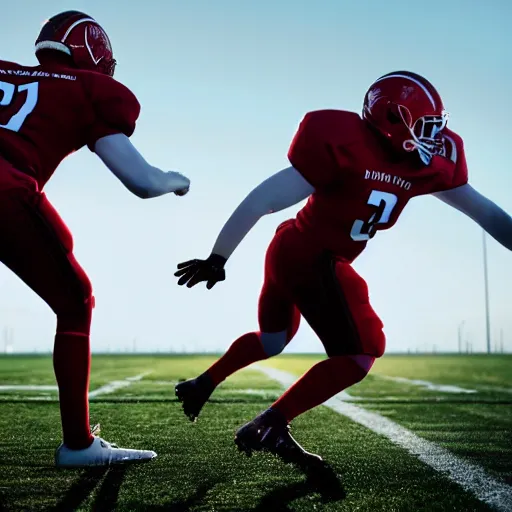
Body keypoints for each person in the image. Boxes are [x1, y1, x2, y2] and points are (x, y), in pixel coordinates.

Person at [174, 71, 512, 469]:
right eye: (425, 125)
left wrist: (220, 257)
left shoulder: (424, 165)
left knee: (272, 339)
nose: (435, 136)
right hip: (315, 257)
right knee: (361, 353)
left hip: (288, 248)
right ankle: (271, 424)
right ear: (393, 121)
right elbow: (265, 198)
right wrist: (218, 256)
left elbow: (487, 213)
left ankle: (202, 383)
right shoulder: (343, 141)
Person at [0, 11, 190, 468]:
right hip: (5, 189)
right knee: (75, 299)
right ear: (95, 53)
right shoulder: (87, 90)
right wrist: (175, 180)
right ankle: (79, 445)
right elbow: (140, 180)